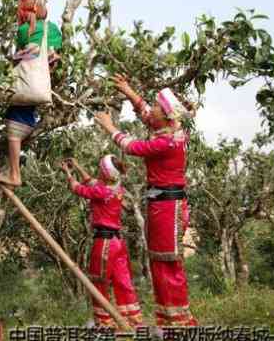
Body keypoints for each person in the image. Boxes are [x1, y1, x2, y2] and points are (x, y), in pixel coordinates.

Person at [93, 74, 198, 326]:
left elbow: (133, 147)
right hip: (161, 205)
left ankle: (180, 323)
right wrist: (127, 89)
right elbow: (146, 114)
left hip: (167, 206)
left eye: (156, 107)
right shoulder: (165, 127)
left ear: (167, 114)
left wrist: (109, 126)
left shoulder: (168, 140)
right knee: (159, 262)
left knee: (167, 263)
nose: (151, 110)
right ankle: (168, 320)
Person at [61, 156, 143, 329]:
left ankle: (104, 322)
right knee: (123, 281)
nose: (98, 170)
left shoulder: (102, 191)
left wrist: (68, 173)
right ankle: (132, 320)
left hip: (104, 243)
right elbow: (91, 182)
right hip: (117, 242)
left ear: (105, 173)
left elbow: (78, 188)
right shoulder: (116, 187)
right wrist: (77, 166)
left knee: (99, 281)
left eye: (100, 168)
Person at [0, 0, 62, 187]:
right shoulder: (53, 29)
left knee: (14, 129)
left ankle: (15, 175)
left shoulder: (24, 30)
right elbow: (52, 55)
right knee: (21, 114)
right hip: (41, 83)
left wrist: (15, 57)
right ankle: (29, 129)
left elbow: (26, 56)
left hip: (27, 83)